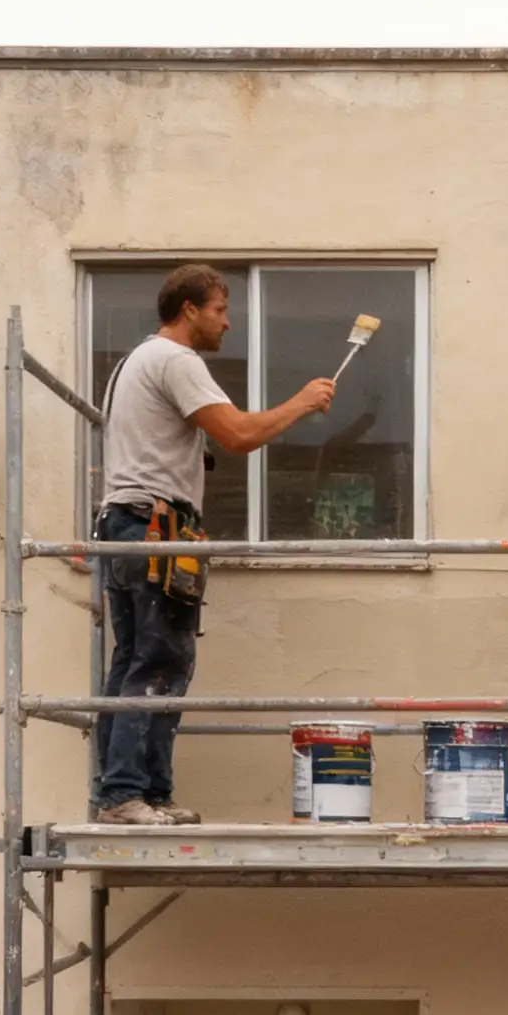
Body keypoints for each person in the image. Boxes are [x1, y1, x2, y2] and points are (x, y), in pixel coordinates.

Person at [92, 264, 336, 825]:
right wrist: (301, 401)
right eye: (221, 311)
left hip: (127, 522)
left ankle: (135, 793)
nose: (228, 324)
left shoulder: (137, 359)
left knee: (135, 659)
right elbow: (238, 434)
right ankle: (129, 794)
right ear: (189, 311)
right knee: (159, 661)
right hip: (151, 525)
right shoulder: (177, 360)